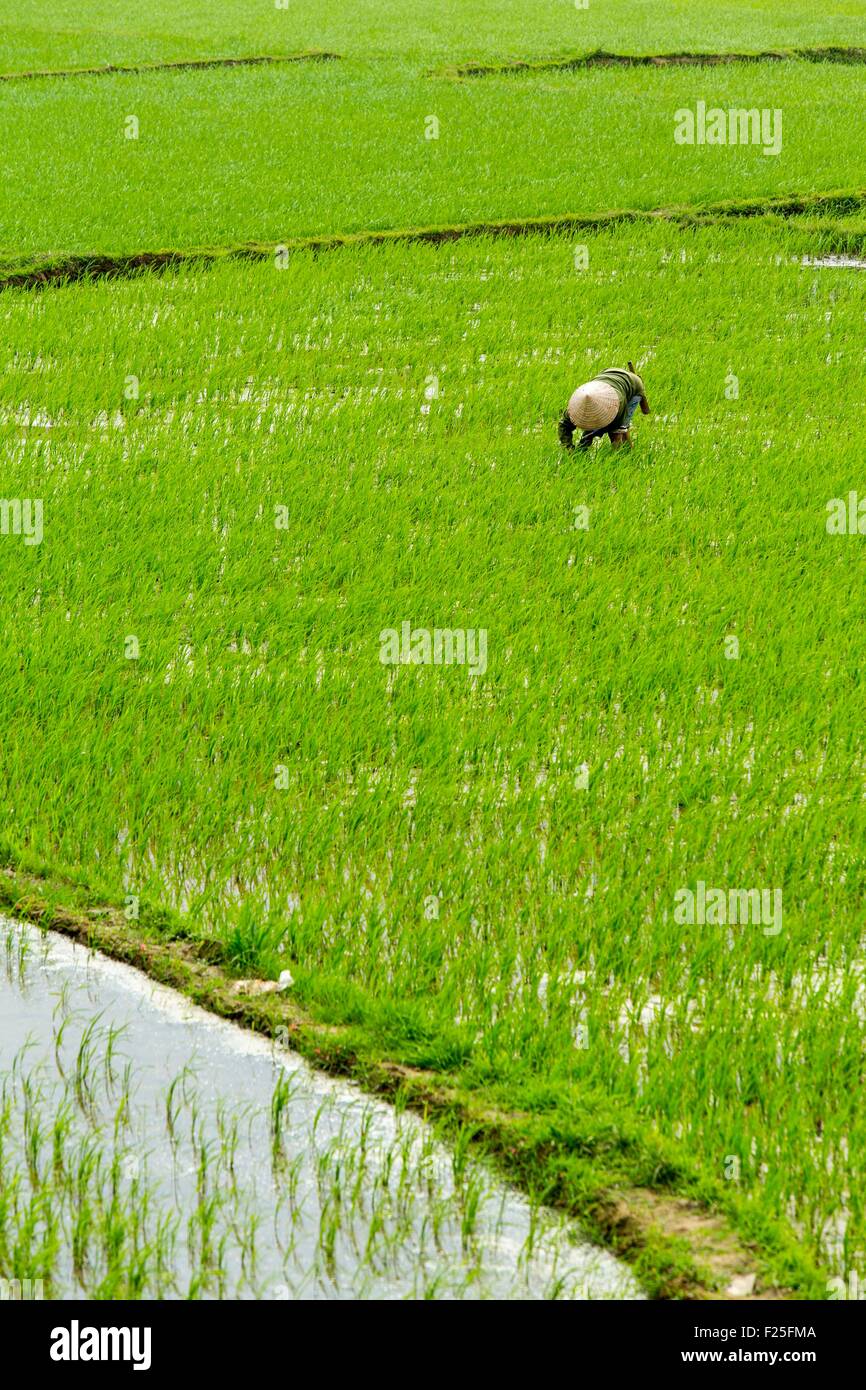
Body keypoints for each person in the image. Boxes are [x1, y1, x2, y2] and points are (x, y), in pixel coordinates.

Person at [558, 361, 650, 452]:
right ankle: (583, 451)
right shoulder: (576, 406)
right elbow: (563, 425)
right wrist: (568, 448)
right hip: (607, 373)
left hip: (633, 384)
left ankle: (626, 454)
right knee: (590, 433)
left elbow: (616, 434)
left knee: (621, 428)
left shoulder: (616, 404)